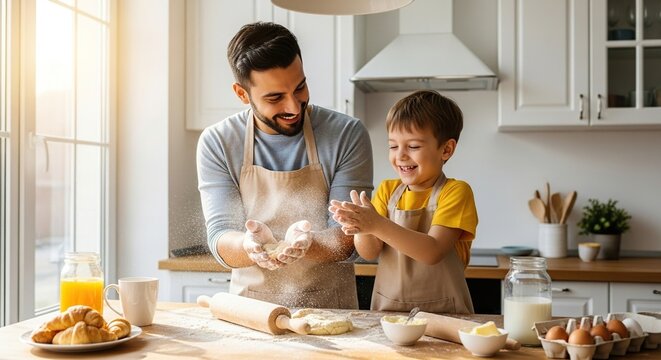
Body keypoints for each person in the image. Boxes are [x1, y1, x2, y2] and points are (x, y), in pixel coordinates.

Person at [196, 22, 373, 309]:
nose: (294, 106)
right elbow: (220, 235)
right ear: (242, 94)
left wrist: (305, 244)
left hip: (330, 308)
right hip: (251, 312)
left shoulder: (346, 134)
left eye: (300, 87)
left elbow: (346, 238)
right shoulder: (218, 142)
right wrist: (251, 247)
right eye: (275, 97)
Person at [329, 90, 477, 314]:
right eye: (393, 146)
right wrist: (361, 227)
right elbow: (369, 252)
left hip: (445, 316)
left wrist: (377, 223)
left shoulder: (456, 192)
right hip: (390, 316)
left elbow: (432, 252)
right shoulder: (388, 190)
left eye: (413, 147)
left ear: (446, 149)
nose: (401, 156)